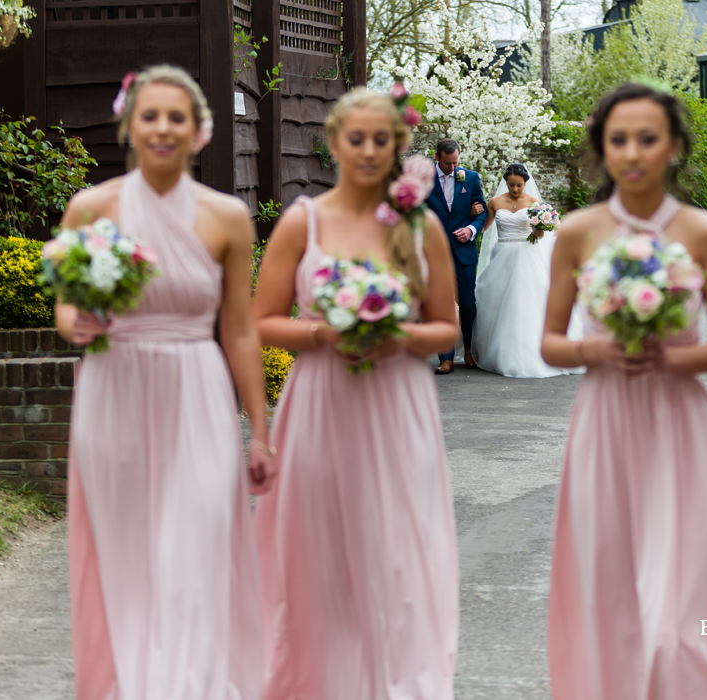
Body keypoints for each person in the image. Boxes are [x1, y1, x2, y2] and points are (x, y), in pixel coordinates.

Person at [58, 65, 274, 700]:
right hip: (114, 389)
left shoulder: (228, 218)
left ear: (199, 130)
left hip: (197, 391)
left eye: (176, 117)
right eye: (149, 116)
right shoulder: (91, 208)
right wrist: (75, 322)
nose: (162, 128)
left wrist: (259, 430)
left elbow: (238, 330)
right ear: (129, 124)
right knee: (129, 555)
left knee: (196, 545)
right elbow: (66, 306)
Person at [252, 87, 461, 700]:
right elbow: (263, 319)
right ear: (334, 143)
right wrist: (324, 331)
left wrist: (394, 336)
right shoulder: (303, 220)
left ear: (399, 146)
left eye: (383, 140)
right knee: (319, 554)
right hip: (320, 402)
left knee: (396, 549)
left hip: (398, 404)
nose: (369, 150)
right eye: (356, 139)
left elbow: (446, 326)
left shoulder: (420, 227)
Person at [540, 83, 707, 699]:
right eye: (618, 139)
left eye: (647, 139)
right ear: (602, 149)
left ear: (674, 146)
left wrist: (679, 358)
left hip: (680, 422)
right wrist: (593, 350)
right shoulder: (577, 231)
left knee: (681, 598)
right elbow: (548, 343)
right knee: (609, 583)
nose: (632, 153)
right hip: (605, 418)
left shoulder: (704, 233)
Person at [472, 163, 584, 378]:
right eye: (511, 185)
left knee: (524, 302)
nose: (515, 189)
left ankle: (528, 352)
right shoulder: (495, 202)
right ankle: (495, 349)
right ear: (505, 183)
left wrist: (540, 228)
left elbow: (541, 236)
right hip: (502, 255)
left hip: (526, 255)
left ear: (526, 183)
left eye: (519, 185)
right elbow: (485, 228)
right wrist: (473, 214)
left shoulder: (534, 202)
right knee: (496, 300)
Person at [426, 138, 488, 374]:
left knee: (468, 305)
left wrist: (471, 229)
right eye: (448, 163)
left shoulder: (469, 177)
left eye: (456, 163)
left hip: (464, 251)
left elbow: (481, 210)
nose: (453, 168)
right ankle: (446, 358)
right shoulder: (423, 181)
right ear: (437, 156)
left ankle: (469, 351)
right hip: (435, 251)